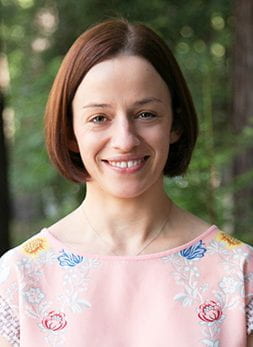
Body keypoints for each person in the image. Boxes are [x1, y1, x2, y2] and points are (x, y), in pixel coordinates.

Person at [0, 18, 252, 347]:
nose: (124, 140)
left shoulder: (238, 273)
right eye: (99, 118)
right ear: (70, 132)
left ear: (175, 124)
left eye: (146, 114)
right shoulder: (21, 276)